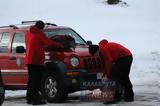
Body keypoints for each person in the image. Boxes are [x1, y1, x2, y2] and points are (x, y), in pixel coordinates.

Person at [25, 20, 63, 105]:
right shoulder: (40, 35)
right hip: (36, 60)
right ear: (41, 28)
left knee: (31, 80)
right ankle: (35, 100)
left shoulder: (28, 33)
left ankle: (29, 98)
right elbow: (49, 43)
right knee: (36, 81)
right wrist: (60, 45)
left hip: (28, 60)